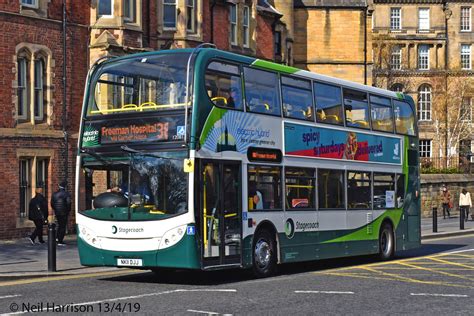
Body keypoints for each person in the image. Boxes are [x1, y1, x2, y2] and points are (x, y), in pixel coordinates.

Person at [51, 180, 71, 246]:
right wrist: (68, 210)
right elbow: (68, 203)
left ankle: (57, 238)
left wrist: (56, 209)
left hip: (57, 212)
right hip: (64, 212)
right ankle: (60, 240)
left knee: (59, 225)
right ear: (65, 186)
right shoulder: (66, 194)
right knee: (62, 226)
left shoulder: (54, 194)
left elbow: (52, 204)